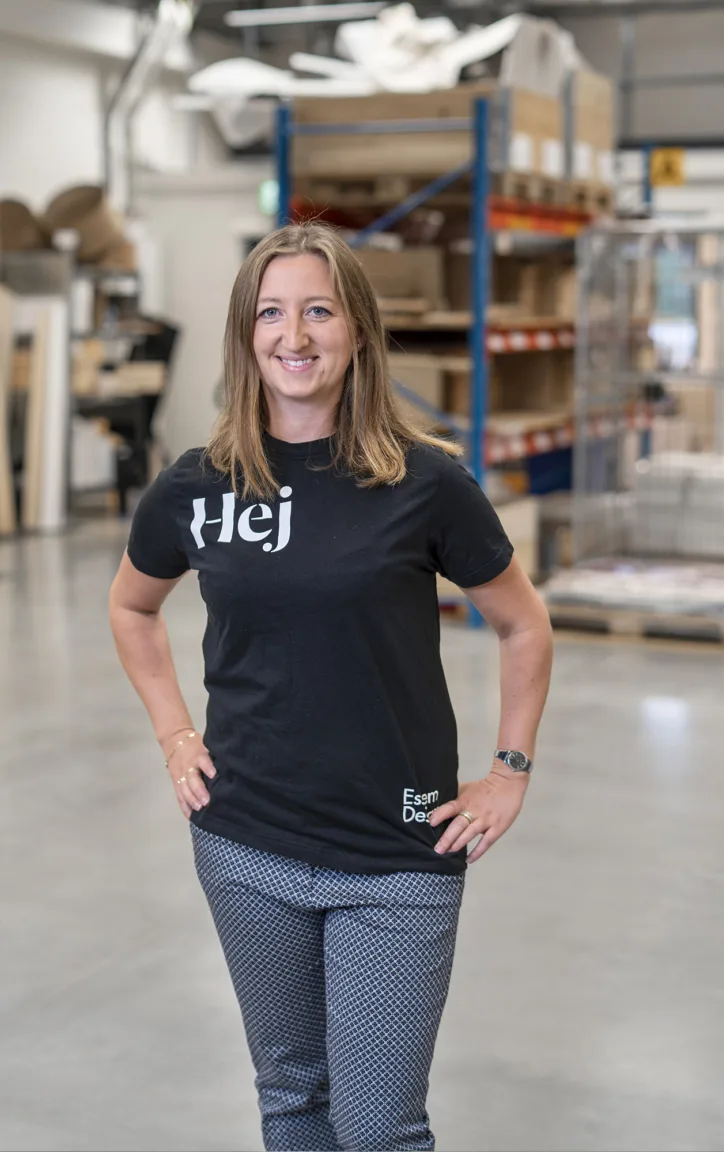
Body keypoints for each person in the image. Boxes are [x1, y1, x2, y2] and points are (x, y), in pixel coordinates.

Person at [109, 222, 553, 1152]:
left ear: (356, 331)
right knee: (292, 1102)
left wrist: (509, 771)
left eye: (319, 310)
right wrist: (176, 736)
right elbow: (132, 606)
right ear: (246, 335)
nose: (295, 335)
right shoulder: (199, 486)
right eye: (271, 313)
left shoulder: (425, 482)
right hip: (245, 840)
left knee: (380, 1129)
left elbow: (524, 623)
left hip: (396, 851)